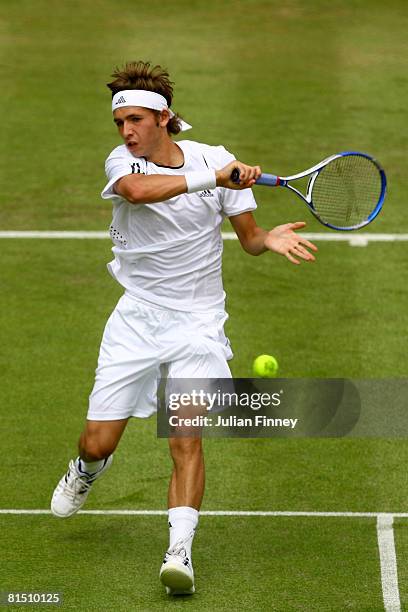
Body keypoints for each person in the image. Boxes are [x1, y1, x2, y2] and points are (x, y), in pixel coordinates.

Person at [50, 61, 317, 595]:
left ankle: (179, 554)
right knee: (99, 441)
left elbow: (249, 237)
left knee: (186, 438)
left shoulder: (216, 160)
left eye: (136, 121)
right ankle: (86, 468)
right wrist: (212, 178)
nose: (126, 131)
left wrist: (271, 239)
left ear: (164, 118)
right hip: (137, 319)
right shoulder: (125, 164)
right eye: (120, 122)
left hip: (198, 322)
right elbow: (137, 193)